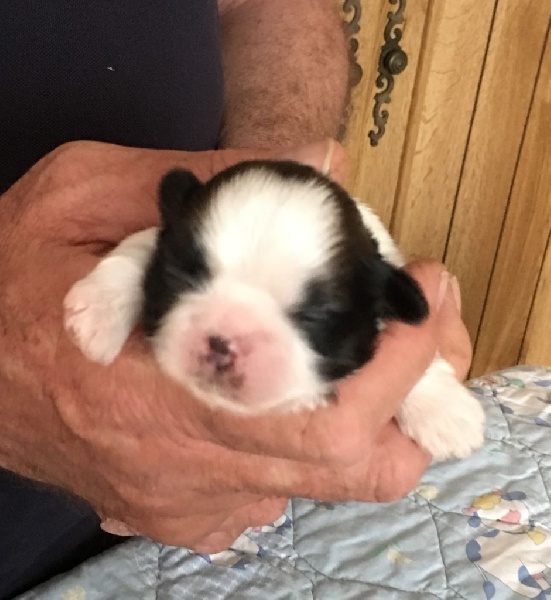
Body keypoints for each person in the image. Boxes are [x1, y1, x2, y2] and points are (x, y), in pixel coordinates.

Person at [0, 2, 471, 598]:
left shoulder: (362, 273)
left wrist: (264, 180)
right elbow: (147, 248)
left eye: (306, 315)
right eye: (191, 278)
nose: (226, 342)